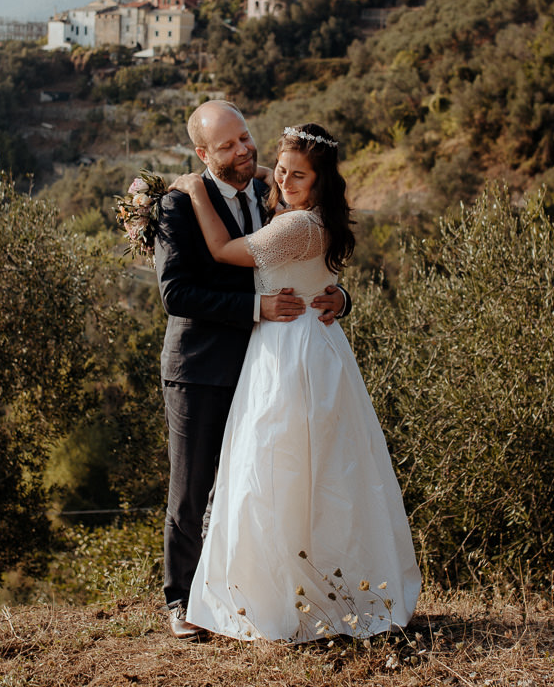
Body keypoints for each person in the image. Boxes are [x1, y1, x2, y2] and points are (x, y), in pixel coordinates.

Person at [171, 122, 420, 643]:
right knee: (302, 473)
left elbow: (222, 250)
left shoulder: (298, 225)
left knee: (280, 470)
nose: (283, 181)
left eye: (297, 175)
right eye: (282, 170)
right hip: (298, 343)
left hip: (290, 351)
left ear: (320, 182)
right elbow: (272, 175)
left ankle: (280, 596)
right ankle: (273, 588)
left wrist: (195, 186)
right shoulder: (295, 201)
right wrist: (269, 168)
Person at [154, 101, 348, 640]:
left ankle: (242, 593)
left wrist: (339, 297)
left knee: (257, 484)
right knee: (192, 490)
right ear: (202, 155)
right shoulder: (176, 206)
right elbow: (176, 294)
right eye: (227, 146)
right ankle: (181, 600)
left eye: (245, 138)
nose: (243, 150)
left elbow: (310, 255)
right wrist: (255, 309)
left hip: (269, 367)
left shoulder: (273, 197)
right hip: (200, 367)